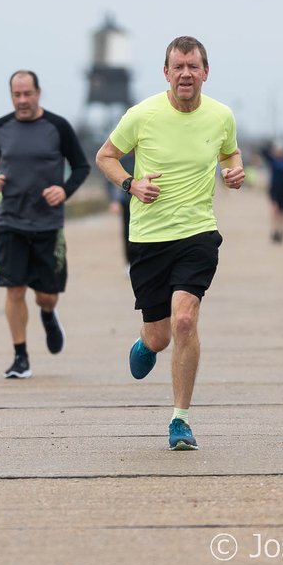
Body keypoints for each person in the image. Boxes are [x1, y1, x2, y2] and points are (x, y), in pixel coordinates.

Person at [95, 36, 244, 451]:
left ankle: (180, 419)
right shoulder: (141, 115)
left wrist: (235, 171)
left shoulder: (221, 116)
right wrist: (130, 183)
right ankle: (146, 342)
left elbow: (231, 154)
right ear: (166, 73)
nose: (185, 74)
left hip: (197, 234)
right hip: (149, 239)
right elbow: (105, 156)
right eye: (177, 66)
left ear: (205, 72)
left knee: (185, 321)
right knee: (160, 336)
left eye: (193, 66)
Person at [0, 70, 91, 379]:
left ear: (39, 93)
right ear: (11, 95)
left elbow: (82, 166)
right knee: (14, 289)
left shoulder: (57, 126)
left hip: (47, 223)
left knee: (46, 294)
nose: (23, 100)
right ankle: (20, 357)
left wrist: (64, 190)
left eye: (28, 93)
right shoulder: (0, 128)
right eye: (17, 95)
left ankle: (48, 312)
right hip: (10, 221)